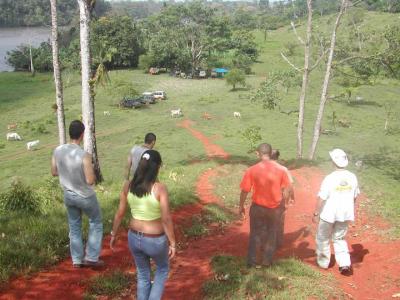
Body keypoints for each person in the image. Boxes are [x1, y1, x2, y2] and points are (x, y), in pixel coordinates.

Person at [110, 149, 176, 300]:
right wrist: (172, 243)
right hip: (155, 240)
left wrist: (113, 234)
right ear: (157, 167)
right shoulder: (159, 188)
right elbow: (166, 219)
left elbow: (120, 213)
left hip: (134, 238)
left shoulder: (128, 185)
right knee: (162, 269)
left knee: (143, 275)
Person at [51, 120, 103, 268]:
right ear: (82, 134)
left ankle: (77, 259)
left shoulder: (58, 150)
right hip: (85, 195)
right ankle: (92, 257)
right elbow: (91, 180)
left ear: (69, 133)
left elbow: (54, 172)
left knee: (74, 225)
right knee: (96, 221)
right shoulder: (84, 155)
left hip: (68, 194)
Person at [239, 143, 290, 268]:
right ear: (271, 152)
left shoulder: (252, 170)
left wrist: (241, 206)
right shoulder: (281, 170)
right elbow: (286, 190)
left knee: (255, 233)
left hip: (258, 207)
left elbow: (245, 190)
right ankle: (267, 261)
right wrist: (286, 203)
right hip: (275, 208)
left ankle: (252, 261)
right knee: (272, 233)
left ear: (258, 153)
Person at [312, 148, 360, 275]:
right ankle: (344, 264)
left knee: (323, 238)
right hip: (345, 214)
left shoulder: (330, 178)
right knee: (339, 238)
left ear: (333, 162)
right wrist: (349, 208)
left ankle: (323, 263)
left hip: (328, 214)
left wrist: (316, 213)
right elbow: (355, 196)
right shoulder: (352, 177)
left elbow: (322, 197)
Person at [270, 149, 295, 248]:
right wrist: (292, 197)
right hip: (278, 199)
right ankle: (278, 243)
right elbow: (289, 185)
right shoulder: (283, 169)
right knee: (279, 221)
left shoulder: (262, 168)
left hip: (264, 199)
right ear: (278, 157)